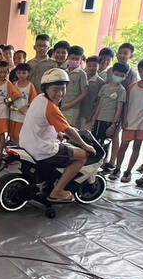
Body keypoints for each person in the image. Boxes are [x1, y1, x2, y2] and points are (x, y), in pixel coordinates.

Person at [19, 68, 98, 203]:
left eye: (63, 88)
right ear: (46, 89)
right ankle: (57, 191)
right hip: (42, 148)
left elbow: (43, 123)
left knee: (65, 146)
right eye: (55, 89)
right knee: (83, 156)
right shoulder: (52, 108)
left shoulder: (39, 98)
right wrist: (85, 145)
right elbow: (69, 131)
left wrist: (58, 133)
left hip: (26, 142)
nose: (60, 93)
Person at [112, 58, 143, 182]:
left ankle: (128, 171)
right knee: (123, 146)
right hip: (130, 121)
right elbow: (126, 105)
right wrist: (124, 119)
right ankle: (117, 168)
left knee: (137, 148)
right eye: (141, 71)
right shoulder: (132, 87)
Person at [92, 62, 128, 168]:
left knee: (105, 143)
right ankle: (94, 162)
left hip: (109, 121)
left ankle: (103, 164)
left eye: (122, 76)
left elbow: (119, 109)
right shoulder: (104, 87)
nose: (119, 77)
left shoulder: (121, 90)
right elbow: (99, 104)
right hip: (99, 119)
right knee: (95, 140)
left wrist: (114, 124)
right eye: (117, 74)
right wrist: (94, 118)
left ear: (125, 76)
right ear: (112, 73)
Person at [0, 61, 20, 159]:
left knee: (1, 134)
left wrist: (8, 100)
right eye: (1, 72)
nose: (3, 74)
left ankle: (0, 153)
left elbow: (16, 94)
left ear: (8, 72)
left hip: (3, 113)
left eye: (5, 72)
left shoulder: (8, 83)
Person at [8, 63, 36, 145]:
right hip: (13, 115)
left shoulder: (30, 86)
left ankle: (20, 152)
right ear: (16, 73)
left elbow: (33, 100)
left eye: (24, 73)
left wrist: (26, 107)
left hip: (23, 116)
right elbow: (9, 98)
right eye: (19, 72)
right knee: (12, 135)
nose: (21, 75)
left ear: (28, 74)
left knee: (19, 136)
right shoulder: (14, 85)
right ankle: (13, 152)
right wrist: (10, 103)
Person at [61, 46, 89, 126]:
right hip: (61, 106)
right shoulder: (63, 72)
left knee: (68, 131)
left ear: (81, 60)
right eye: (72, 58)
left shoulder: (82, 74)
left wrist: (69, 105)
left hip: (72, 109)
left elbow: (84, 93)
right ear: (68, 57)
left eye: (77, 59)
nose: (74, 61)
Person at [78, 55, 105, 133]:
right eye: (89, 65)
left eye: (94, 66)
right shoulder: (81, 76)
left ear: (99, 66)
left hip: (88, 115)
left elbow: (98, 101)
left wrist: (92, 115)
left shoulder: (101, 82)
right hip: (77, 111)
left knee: (84, 135)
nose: (91, 68)